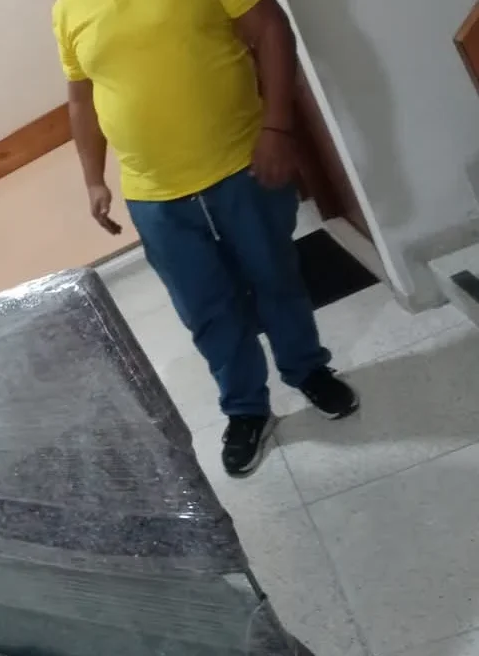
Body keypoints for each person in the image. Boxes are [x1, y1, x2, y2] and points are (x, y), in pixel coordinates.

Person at [52, 0, 359, 477]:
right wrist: (93, 179)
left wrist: (277, 127)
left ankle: (309, 371)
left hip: (240, 165)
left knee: (275, 277)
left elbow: (271, 28)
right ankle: (246, 410)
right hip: (153, 194)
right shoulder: (66, 10)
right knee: (205, 310)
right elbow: (81, 99)